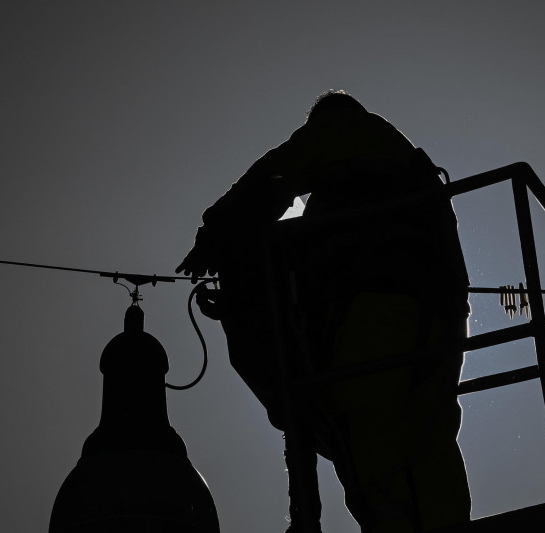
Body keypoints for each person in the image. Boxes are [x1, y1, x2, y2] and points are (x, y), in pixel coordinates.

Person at [177, 91, 471, 532]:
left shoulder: (346, 132)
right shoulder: (400, 168)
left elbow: (272, 177)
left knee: (369, 434)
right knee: (429, 434)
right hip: (441, 320)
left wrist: (215, 235)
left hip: (372, 311)